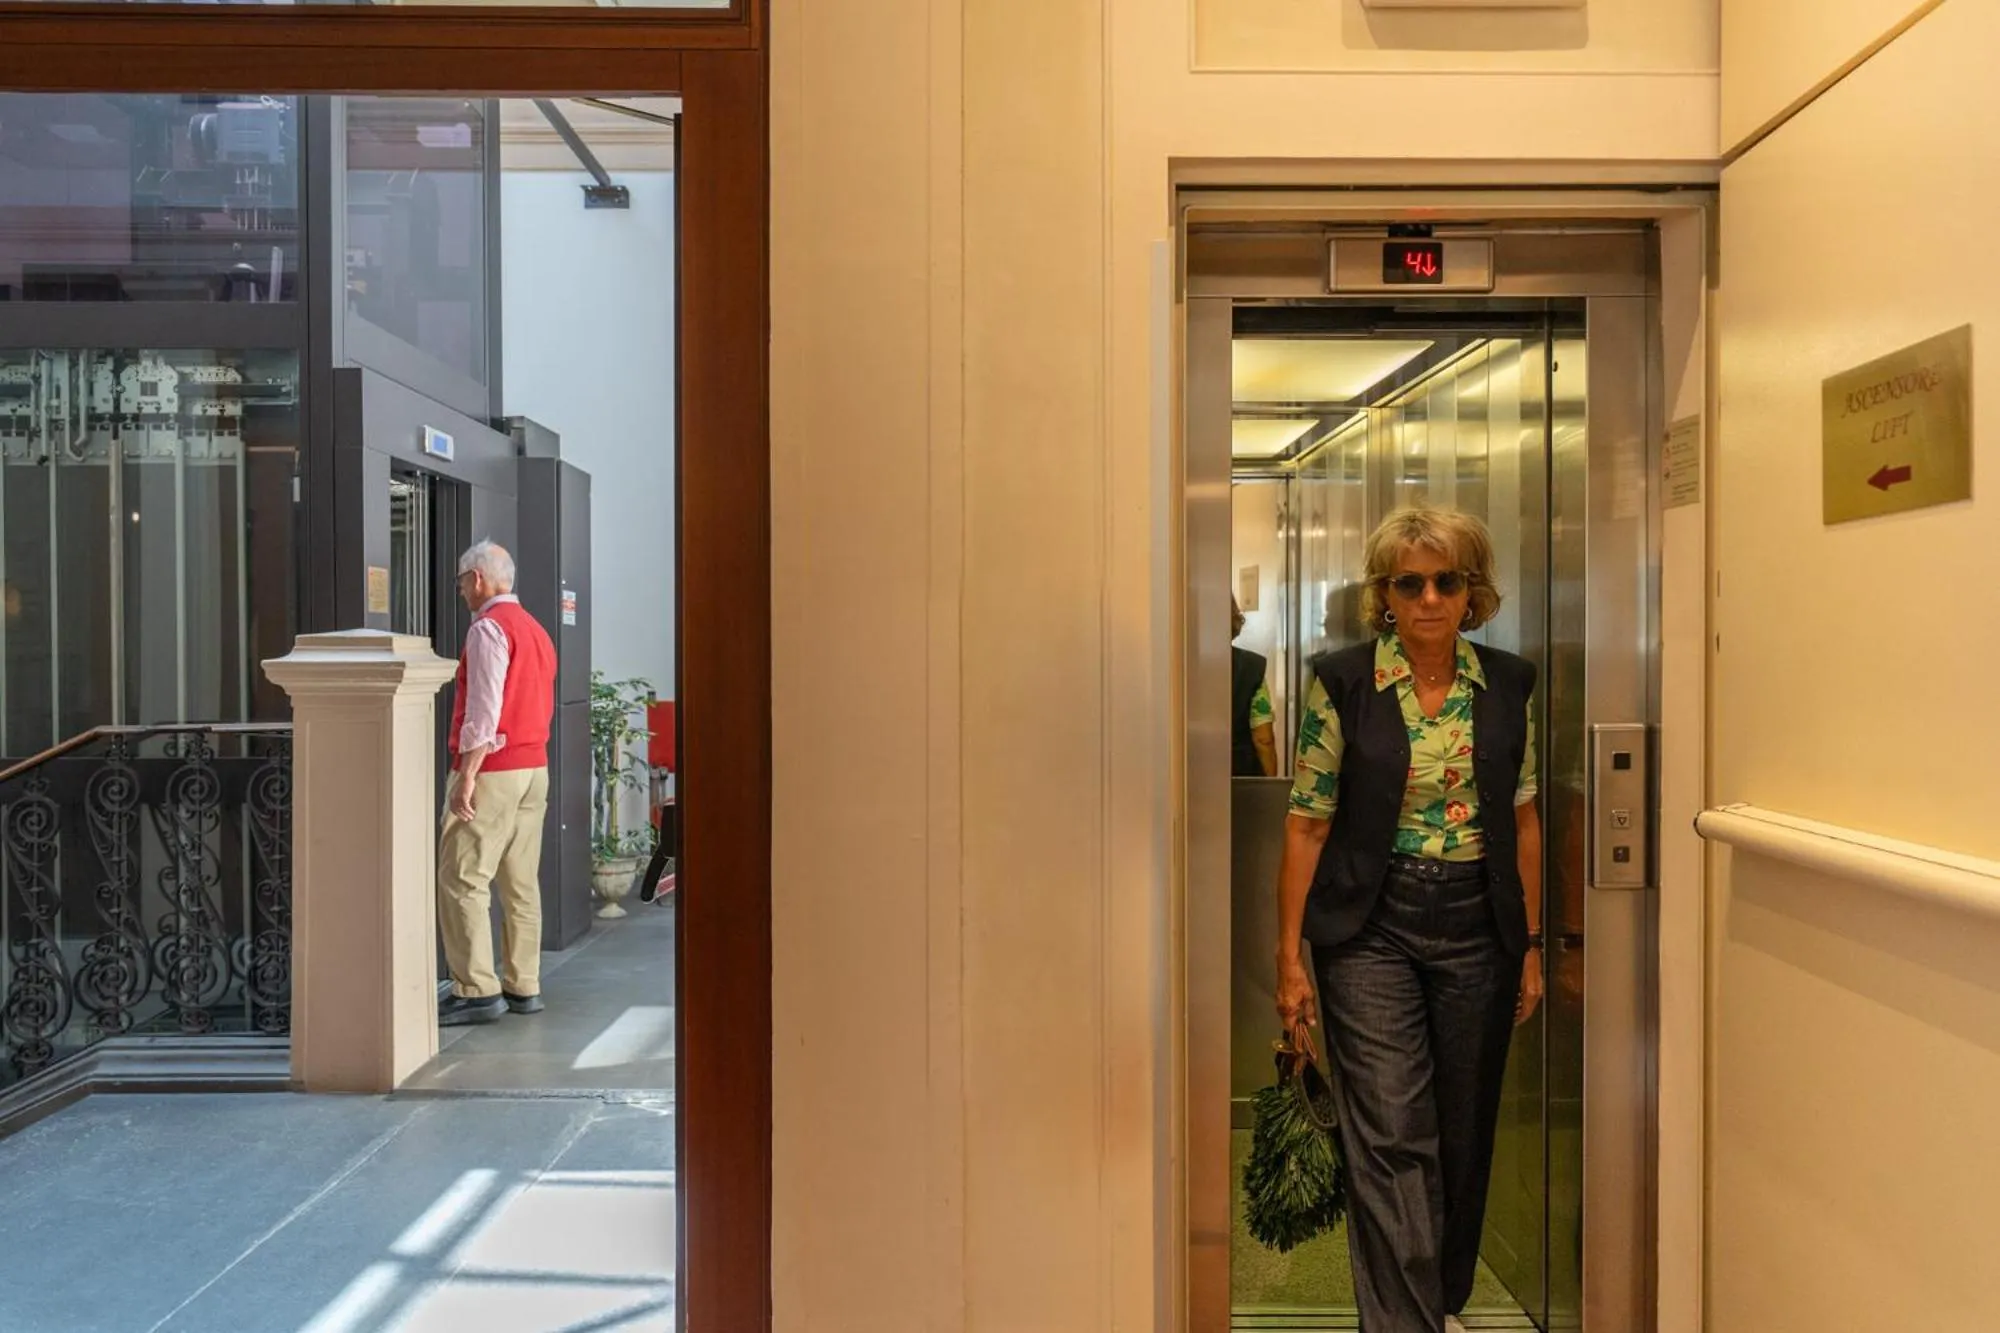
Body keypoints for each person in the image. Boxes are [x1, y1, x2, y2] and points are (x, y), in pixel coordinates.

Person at [1272, 506, 1543, 1333]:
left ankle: (1435, 1302)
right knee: (1392, 1132)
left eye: (1446, 581)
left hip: (1478, 926)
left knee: (1461, 1133)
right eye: (1409, 583)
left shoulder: (1509, 685)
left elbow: (1524, 816)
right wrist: (1288, 959)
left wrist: (1532, 944)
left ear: (1472, 591)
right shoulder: (1345, 682)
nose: (1429, 598)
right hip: (1371, 927)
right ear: (1384, 595)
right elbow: (1306, 821)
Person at [437, 539, 559, 1027]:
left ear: (478, 579)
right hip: (535, 769)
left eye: (461, 581)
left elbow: (484, 710)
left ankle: (476, 991)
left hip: (495, 768)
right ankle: (523, 985)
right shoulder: (536, 630)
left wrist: (467, 775)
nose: (461, 590)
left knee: (463, 877)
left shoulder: (488, 628)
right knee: (520, 881)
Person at [1232, 596, 1280, 777]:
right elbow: (1263, 738)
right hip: (1240, 775)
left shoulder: (1176, 667)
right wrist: (1269, 786)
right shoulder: (1251, 667)